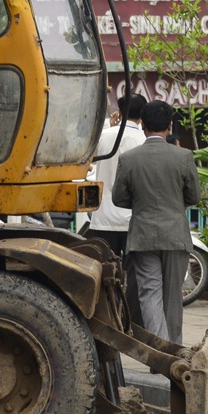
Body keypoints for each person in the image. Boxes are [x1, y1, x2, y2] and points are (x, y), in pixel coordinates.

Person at [110, 100, 199, 344]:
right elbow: (194, 196)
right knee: (172, 297)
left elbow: (118, 198)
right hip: (176, 235)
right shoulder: (184, 156)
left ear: (144, 125)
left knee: (149, 293)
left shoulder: (129, 158)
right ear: (170, 126)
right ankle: (174, 351)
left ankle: (157, 352)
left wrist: (141, 204)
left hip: (143, 235)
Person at [87, 93, 146, 321]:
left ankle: (104, 319)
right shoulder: (142, 140)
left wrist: (110, 128)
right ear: (142, 116)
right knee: (134, 276)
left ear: (119, 110)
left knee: (104, 274)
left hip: (103, 218)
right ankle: (130, 323)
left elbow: (90, 163)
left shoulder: (104, 137)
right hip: (132, 219)